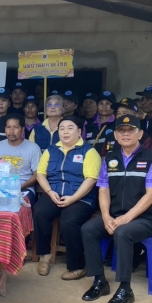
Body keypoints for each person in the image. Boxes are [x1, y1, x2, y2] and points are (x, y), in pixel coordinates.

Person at [81, 114, 152, 303]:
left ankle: (125, 289)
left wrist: (126, 218)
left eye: (130, 130)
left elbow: (151, 195)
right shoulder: (110, 158)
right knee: (88, 229)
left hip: (144, 219)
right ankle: (100, 281)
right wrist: (106, 216)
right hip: (115, 215)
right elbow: (103, 189)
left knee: (122, 232)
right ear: (116, 136)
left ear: (140, 134)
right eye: (121, 131)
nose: (126, 134)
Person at [34, 116, 101, 278]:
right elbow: (40, 173)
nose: (65, 132)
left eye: (70, 128)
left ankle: (77, 266)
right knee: (39, 212)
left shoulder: (89, 152)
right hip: (55, 193)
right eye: (62, 129)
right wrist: (49, 191)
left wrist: (73, 198)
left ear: (79, 132)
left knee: (69, 221)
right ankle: (44, 256)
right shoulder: (51, 150)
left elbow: (91, 179)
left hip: (81, 197)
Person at [0, 114, 41, 205]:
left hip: (24, 188)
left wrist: (20, 187)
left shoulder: (33, 148)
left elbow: (37, 175)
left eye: (15, 127)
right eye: (8, 127)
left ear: (23, 129)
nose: (11, 131)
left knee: (16, 205)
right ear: (5, 129)